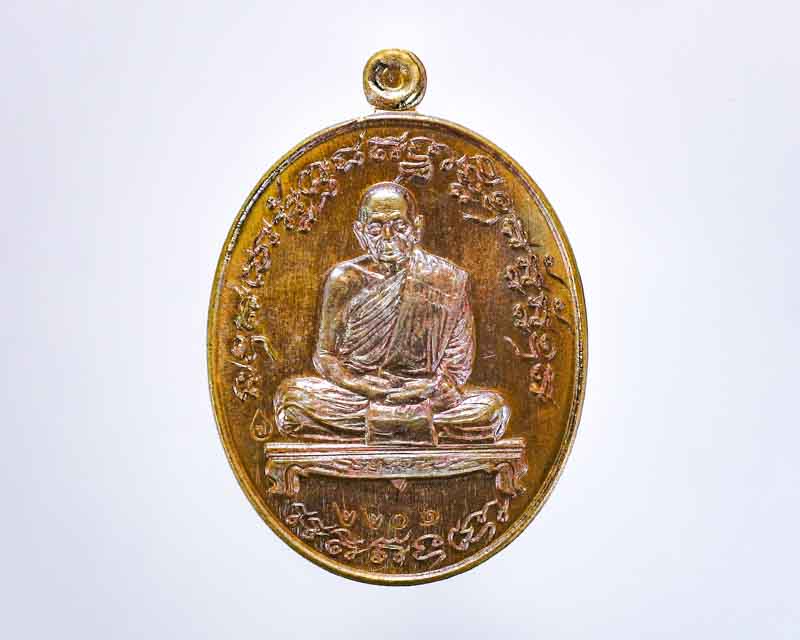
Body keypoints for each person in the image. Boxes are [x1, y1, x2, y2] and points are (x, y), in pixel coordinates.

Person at [274, 181, 509, 443]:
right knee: (292, 400)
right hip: (359, 397)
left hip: (423, 396)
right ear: (360, 233)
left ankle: (381, 427)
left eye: (399, 226)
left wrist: (431, 387)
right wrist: (359, 384)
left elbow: (457, 365)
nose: (388, 236)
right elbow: (325, 356)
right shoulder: (344, 280)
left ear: (416, 228)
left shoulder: (446, 279)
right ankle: (414, 427)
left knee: (491, 410)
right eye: (376, 228)